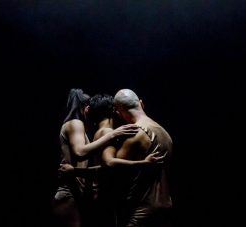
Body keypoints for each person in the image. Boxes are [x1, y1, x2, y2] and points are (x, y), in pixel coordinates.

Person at [58, 93, 164, 227]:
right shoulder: (107, 133)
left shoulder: (99, 133)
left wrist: (75, 171)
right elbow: (108, 165)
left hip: (96, 198)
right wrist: (143, 163)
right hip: (103, 199)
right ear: (114, 111)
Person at [51, 89, 139, 227]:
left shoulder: (85, 130)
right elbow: (80, 152)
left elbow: (101, 166)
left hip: (77, 195)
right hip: (69, 194)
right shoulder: (75, 122)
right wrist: (113, 134)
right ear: (85, 108)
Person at [102, 89, 173, 227]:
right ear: (141, 103)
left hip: (142, 209)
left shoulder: (134, 133)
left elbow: (110, 169)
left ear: (118, 112)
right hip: (165, 204)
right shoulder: (165, 132)